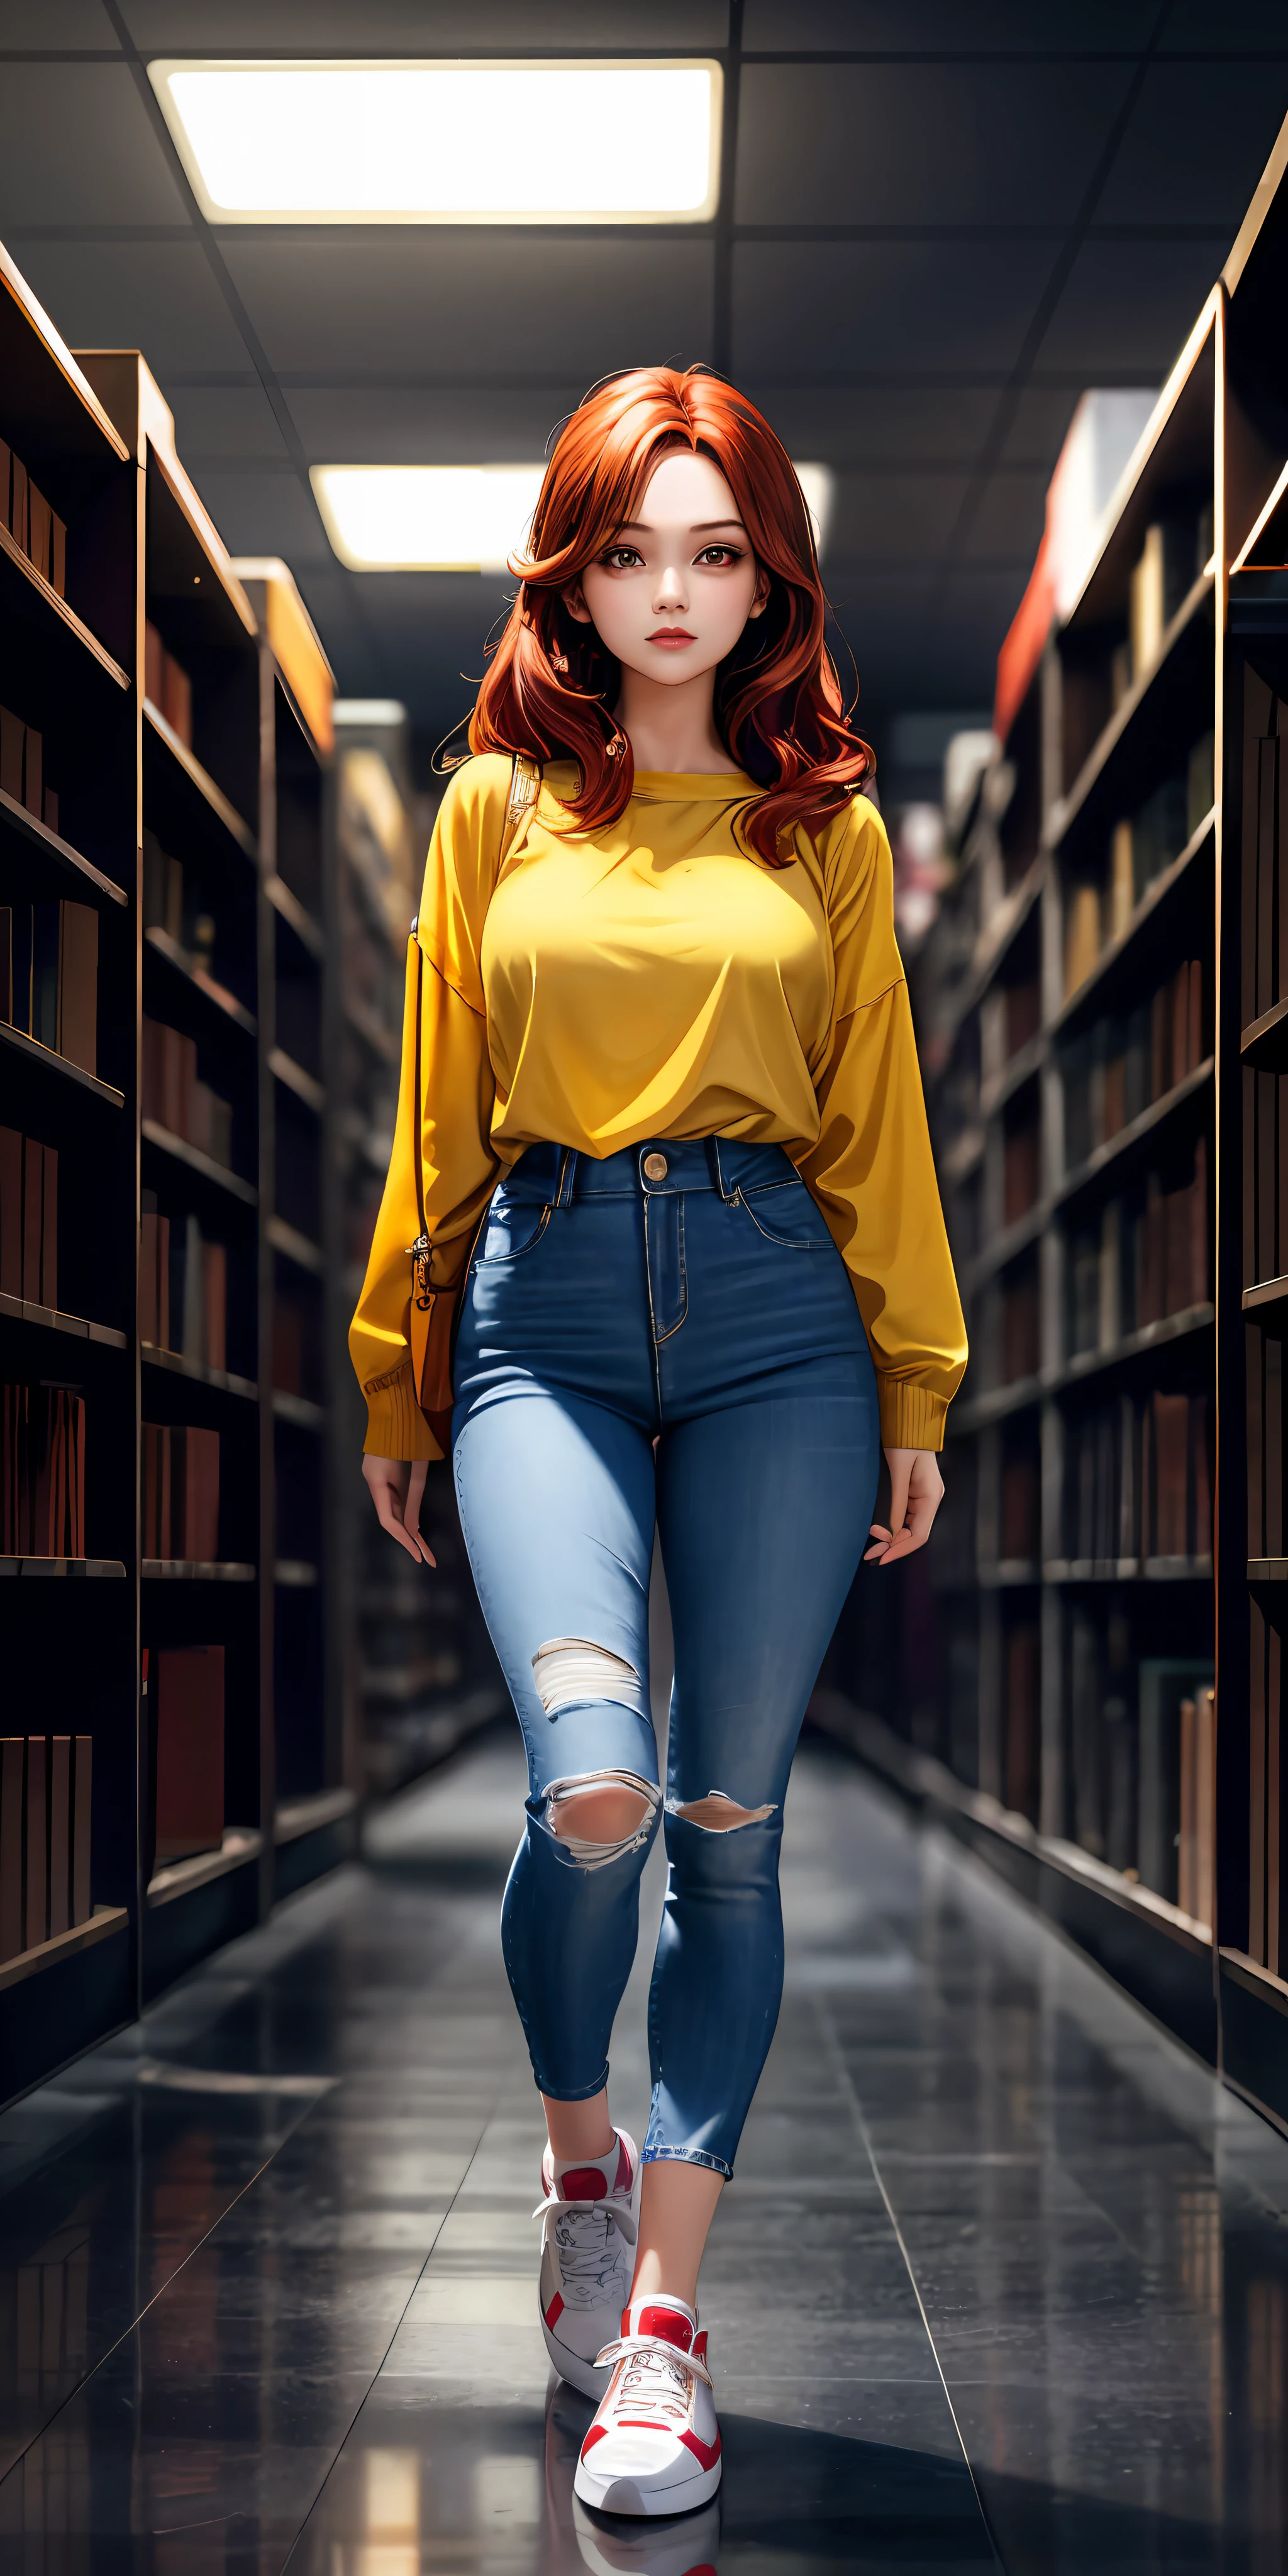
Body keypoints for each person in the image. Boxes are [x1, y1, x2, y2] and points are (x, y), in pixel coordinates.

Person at [350, 366, 967, 2521]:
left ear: (769, 573)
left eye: (717, 550)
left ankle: (666, 2339)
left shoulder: (832, 830)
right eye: (631, 551)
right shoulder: (492, 810)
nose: (674, 593)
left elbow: (878, 1126)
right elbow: (435, 1101)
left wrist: (919, 1377)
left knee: (725, 1817)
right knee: (592, 1778)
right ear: (574, 573)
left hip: (785, 1304)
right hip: (541, 1307)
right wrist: (393, 1363)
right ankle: (575, 2152)